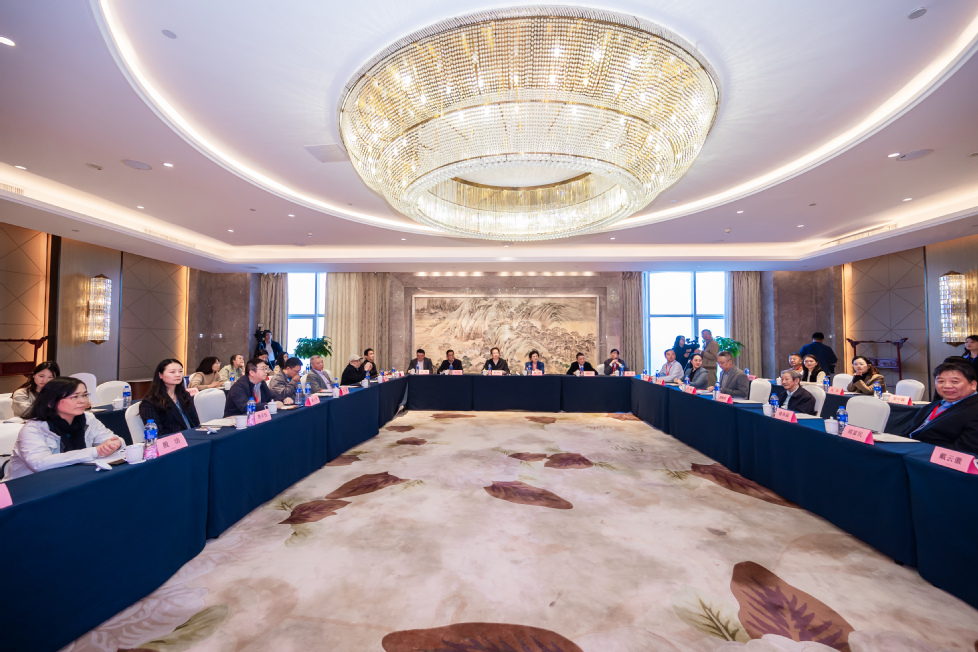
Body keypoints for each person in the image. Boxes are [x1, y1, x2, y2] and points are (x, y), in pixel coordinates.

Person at [4, 377, 122, 480]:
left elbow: (112, 440)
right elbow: (39, 464)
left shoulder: (88, 419)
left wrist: (115, 444)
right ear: (51, 402)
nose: (82, 401)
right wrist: (94, 451)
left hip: (70, 479)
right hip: (27, 486)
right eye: (74, 397)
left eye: (84, 395)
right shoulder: (34, 429)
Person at [903, 362, 978, 454]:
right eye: (941, 381)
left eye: (955, 381)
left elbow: (966, 450)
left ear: (973, 385)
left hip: (927, 458)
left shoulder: (974, 409)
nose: (947, 386)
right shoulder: (932, 406)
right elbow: (909, 431)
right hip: (907, 450)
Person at [139, 359, 202, 435]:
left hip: (193, 436)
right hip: (174, 440)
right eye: (172, 372)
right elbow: (157, 433)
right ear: (160, 375)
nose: (178, 375)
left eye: (180, 371)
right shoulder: (150, 402)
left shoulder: (184, 394)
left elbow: (195, 421)